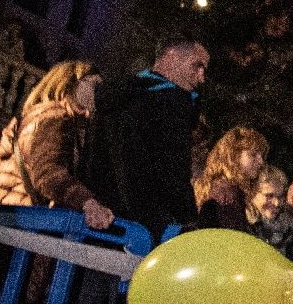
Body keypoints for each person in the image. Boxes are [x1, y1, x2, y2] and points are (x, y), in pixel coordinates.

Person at [0, 60, 113, 304]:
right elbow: (48, 173)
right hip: (16, 232)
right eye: (94, 84)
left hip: (11, 229)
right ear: (70, 83)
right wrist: (87, 202)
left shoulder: (61, 121)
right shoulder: (54, 118)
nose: (100, 91)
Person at [87, 36, 207, 238]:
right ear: (171, 57)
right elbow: (173, 172)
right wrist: (188, 222)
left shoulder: (113, 96)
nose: (202, 77)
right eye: (197, 66)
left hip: (101, 221)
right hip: (148, 230)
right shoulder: (171, 104)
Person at [193, 127, 267, 232]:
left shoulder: (214, 186)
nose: (261, 161)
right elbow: (232, 239)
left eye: (262, 156)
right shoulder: (229, 194)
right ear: (233, 156)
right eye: (253, 155)